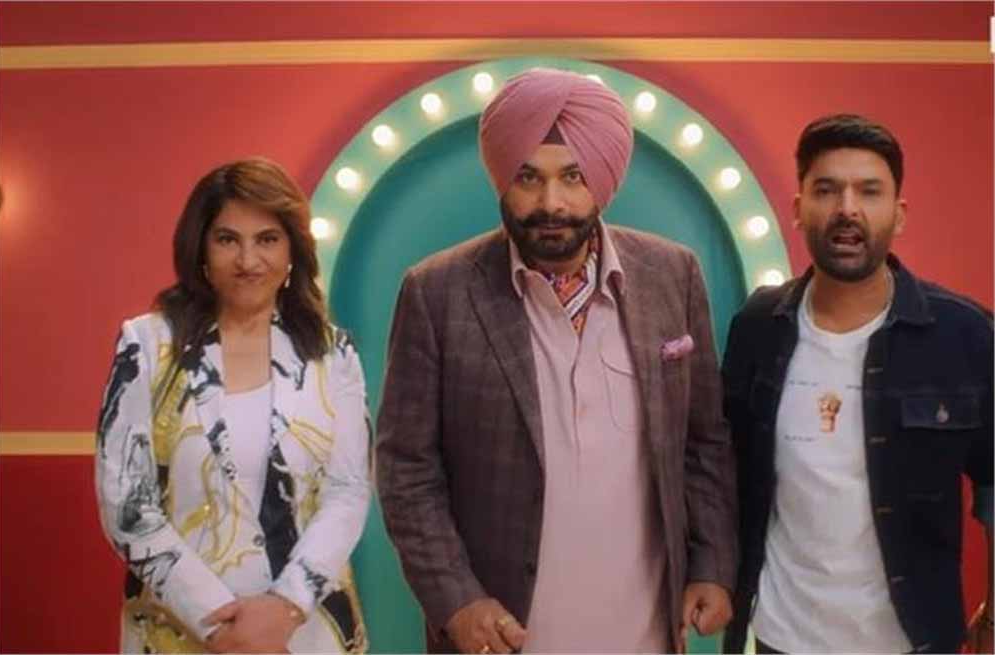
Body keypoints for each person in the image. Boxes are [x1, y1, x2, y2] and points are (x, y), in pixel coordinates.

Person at [375, 67, 737, 654]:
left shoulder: (673, 274)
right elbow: (406, 468)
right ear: (502, 180)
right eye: (528, 177)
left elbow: (704, 443)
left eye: (573, 176)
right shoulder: (436, 292)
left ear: (601, 178)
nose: (551, 203)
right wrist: (457, 601)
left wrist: (712, 563)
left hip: (643, 629)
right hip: (503, 634)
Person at [721, 114, 993, 654]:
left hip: (911, 641)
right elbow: (721, 469)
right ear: (798, 209)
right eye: (826, 190)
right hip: (780, 637)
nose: (847, 209)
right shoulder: (757, 327)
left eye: (869, 191)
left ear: (899, 213)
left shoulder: (964, 334)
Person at [94, 158, 370, 654]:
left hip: (302, 632)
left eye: (267, 239)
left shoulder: (334, 353)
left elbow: (347, 492)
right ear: (200, 247)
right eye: (227, 239)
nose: (248, 260)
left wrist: (284, 608)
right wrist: (222, 625)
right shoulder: (147, 345)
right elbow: (127, 505)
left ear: (292, 250)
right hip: (178, 629)